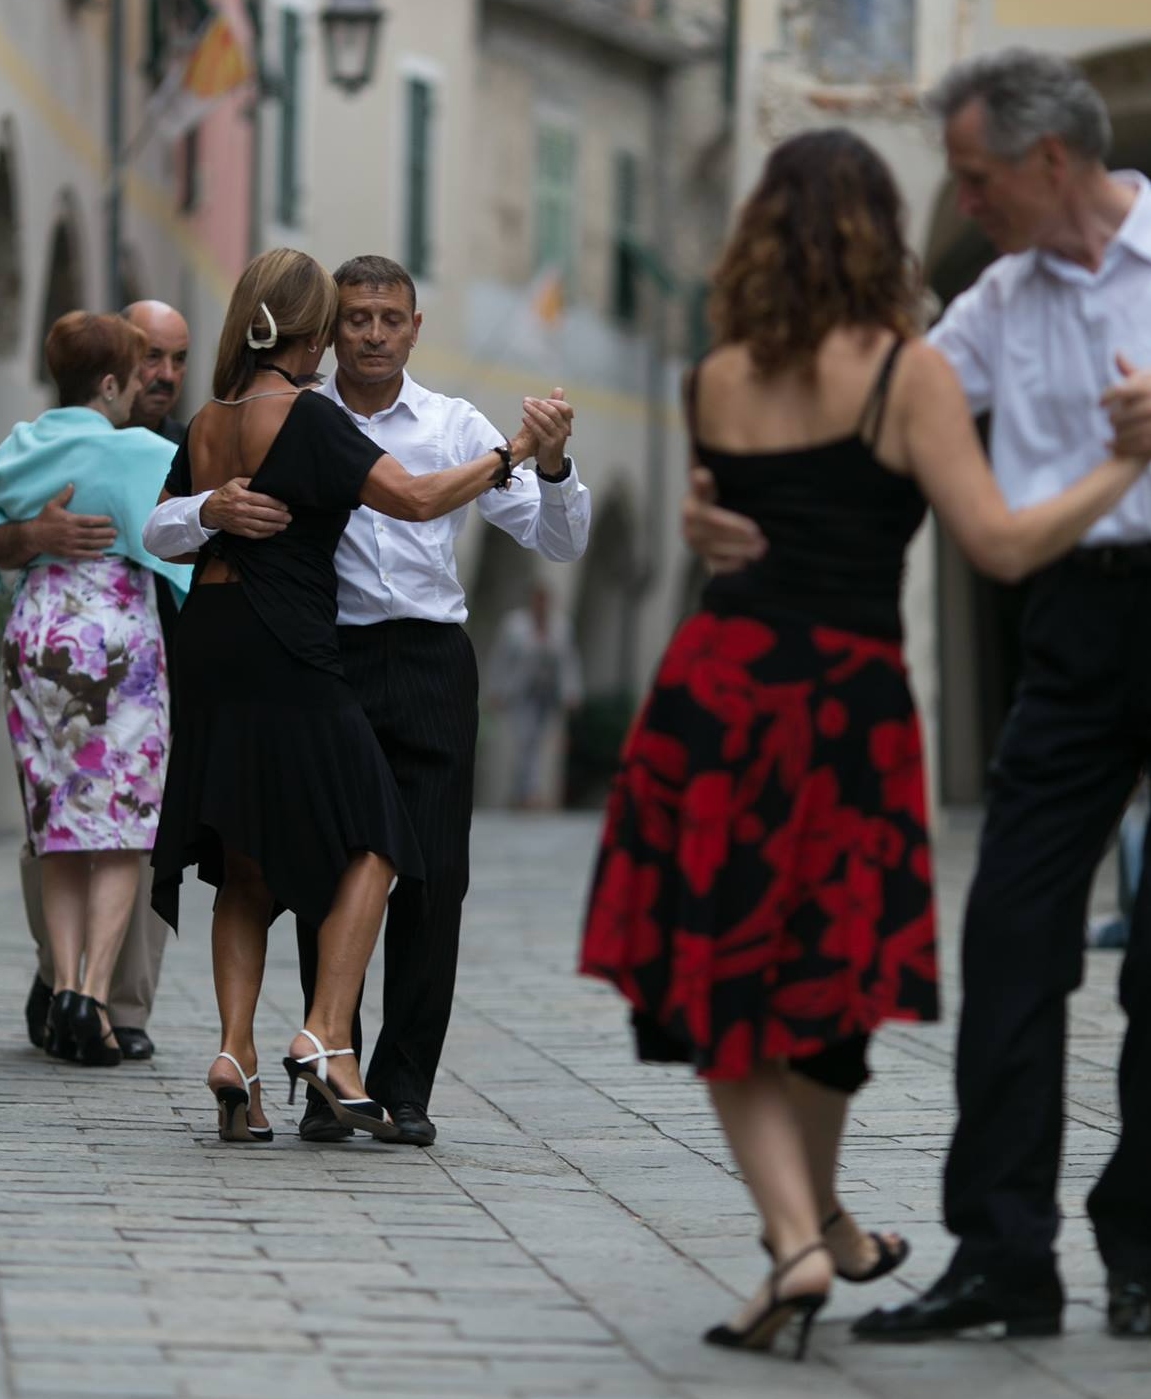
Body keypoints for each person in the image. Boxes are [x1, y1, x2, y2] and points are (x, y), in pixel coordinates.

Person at [579, 125, 1150, 1361]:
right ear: (878, 234)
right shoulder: (906, 374)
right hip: (846, 706)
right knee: (831, 969)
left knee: (718, 969)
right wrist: (1119, 473)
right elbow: (997, 547)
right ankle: (803, 1234)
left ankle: (805, 1228)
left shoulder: (715, 373)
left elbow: (713, 526)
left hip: (718, 689)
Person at [143, 254, 590, 1146]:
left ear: (414, 327)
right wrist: (213, 510)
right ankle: (326, 1069)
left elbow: (560, 540)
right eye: (356, 319)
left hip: (424, 658)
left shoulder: (447, 421)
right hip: (319, 656)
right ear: (324, 329)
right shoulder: (306, 415)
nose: (374, 333)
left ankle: (397, 1085)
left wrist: (553, 464)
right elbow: (166, 523)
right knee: (325, 857)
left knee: (427, 878)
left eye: (391, 318)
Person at [0, 312, 191, 1067]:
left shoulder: (18, 447)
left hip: (36, 631)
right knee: (124, 827)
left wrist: (25, 535)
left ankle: (60, 991)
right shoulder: (143, 453)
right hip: (115, 640)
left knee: (57, 823)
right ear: (114, 381)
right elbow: (185, 550)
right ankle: (90, 993)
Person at [486, 581, 582, 808]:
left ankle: (531, 792)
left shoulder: (560, 626)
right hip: (521, 692)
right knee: (523, 740)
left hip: (547, 694)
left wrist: (572, 692)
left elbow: (568, 661)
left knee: (540, 743)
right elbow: (501, 658)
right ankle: (524, 792)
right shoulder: (514, 625)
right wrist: (496, 689)